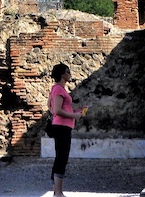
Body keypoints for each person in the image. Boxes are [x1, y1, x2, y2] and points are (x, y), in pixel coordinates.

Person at [48, 63, 86, 197]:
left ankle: (56, 191)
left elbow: (51, 107)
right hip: (62, 127)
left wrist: (75, 112)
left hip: (62, 126)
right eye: (68, 71)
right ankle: (58, 192)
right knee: (61, 158)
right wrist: (74, 115)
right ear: (62, 74)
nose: (70, 74)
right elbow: (57, 110)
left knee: (60, 157)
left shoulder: (56, 89)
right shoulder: (58, 89)